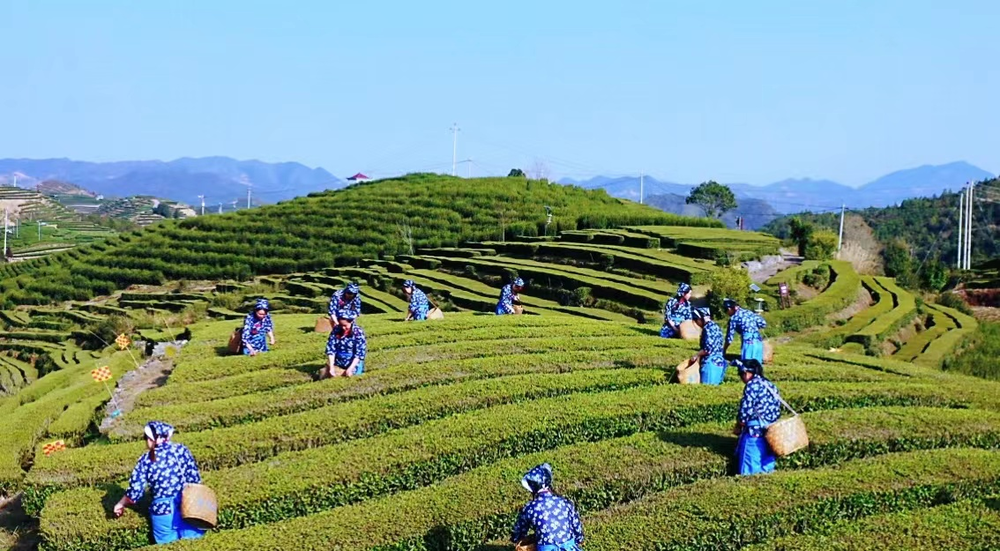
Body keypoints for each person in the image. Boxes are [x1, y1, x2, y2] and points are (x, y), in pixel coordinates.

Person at [113, 421, 205, 545]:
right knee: (195, 543)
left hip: (163, 511)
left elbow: (134, 494)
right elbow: (195, 479)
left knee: (167, 546)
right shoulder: (181, 450)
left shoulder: (145, 460)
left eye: (145, 437)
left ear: (151, 439)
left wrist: (120, 504)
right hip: (187, 504)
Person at [511, 463, 584, 551]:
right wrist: (578, 539)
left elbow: (519, 531)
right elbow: (576, 527)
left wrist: (516, 539)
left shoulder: (530, 507)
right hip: (569, 548)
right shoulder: (564, 502)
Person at [732, 359, 781, 475]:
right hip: (771, 433)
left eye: (741, 374)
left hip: (754, 433)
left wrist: (739, 424)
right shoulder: (770, 385)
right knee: (767, 469)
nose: (741, 378)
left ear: (747, 373)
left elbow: (745, 410)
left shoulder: (752, 385)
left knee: (749, 470)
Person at [319, 308, 368, 379]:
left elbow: (359, 354)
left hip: (353, 363)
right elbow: (331, 350)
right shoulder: (336, 330)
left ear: (351, 322)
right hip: (338, 362)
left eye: (345, 325)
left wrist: (350, 368)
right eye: (341, 325)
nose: (343, 328)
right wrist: (331, 367)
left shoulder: (358, 333)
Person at [690, 307, 727, 385]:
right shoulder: (716, 326)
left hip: (710, 364)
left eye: (696, 321)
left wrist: (696, 355)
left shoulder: (707, 329)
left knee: (707, 386)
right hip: (719, 362)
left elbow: (708, 349)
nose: (697, 324)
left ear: (700, 319)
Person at [723, 298, 767, 363]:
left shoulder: (733, 318)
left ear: (729, 309)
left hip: (748, 342)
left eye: (725, 310)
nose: (727, 313)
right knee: (757, 366)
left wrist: (724, 350)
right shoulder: (749, 312)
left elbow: (729, 338)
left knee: (747, 365)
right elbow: (763, 323)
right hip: (758, 341)